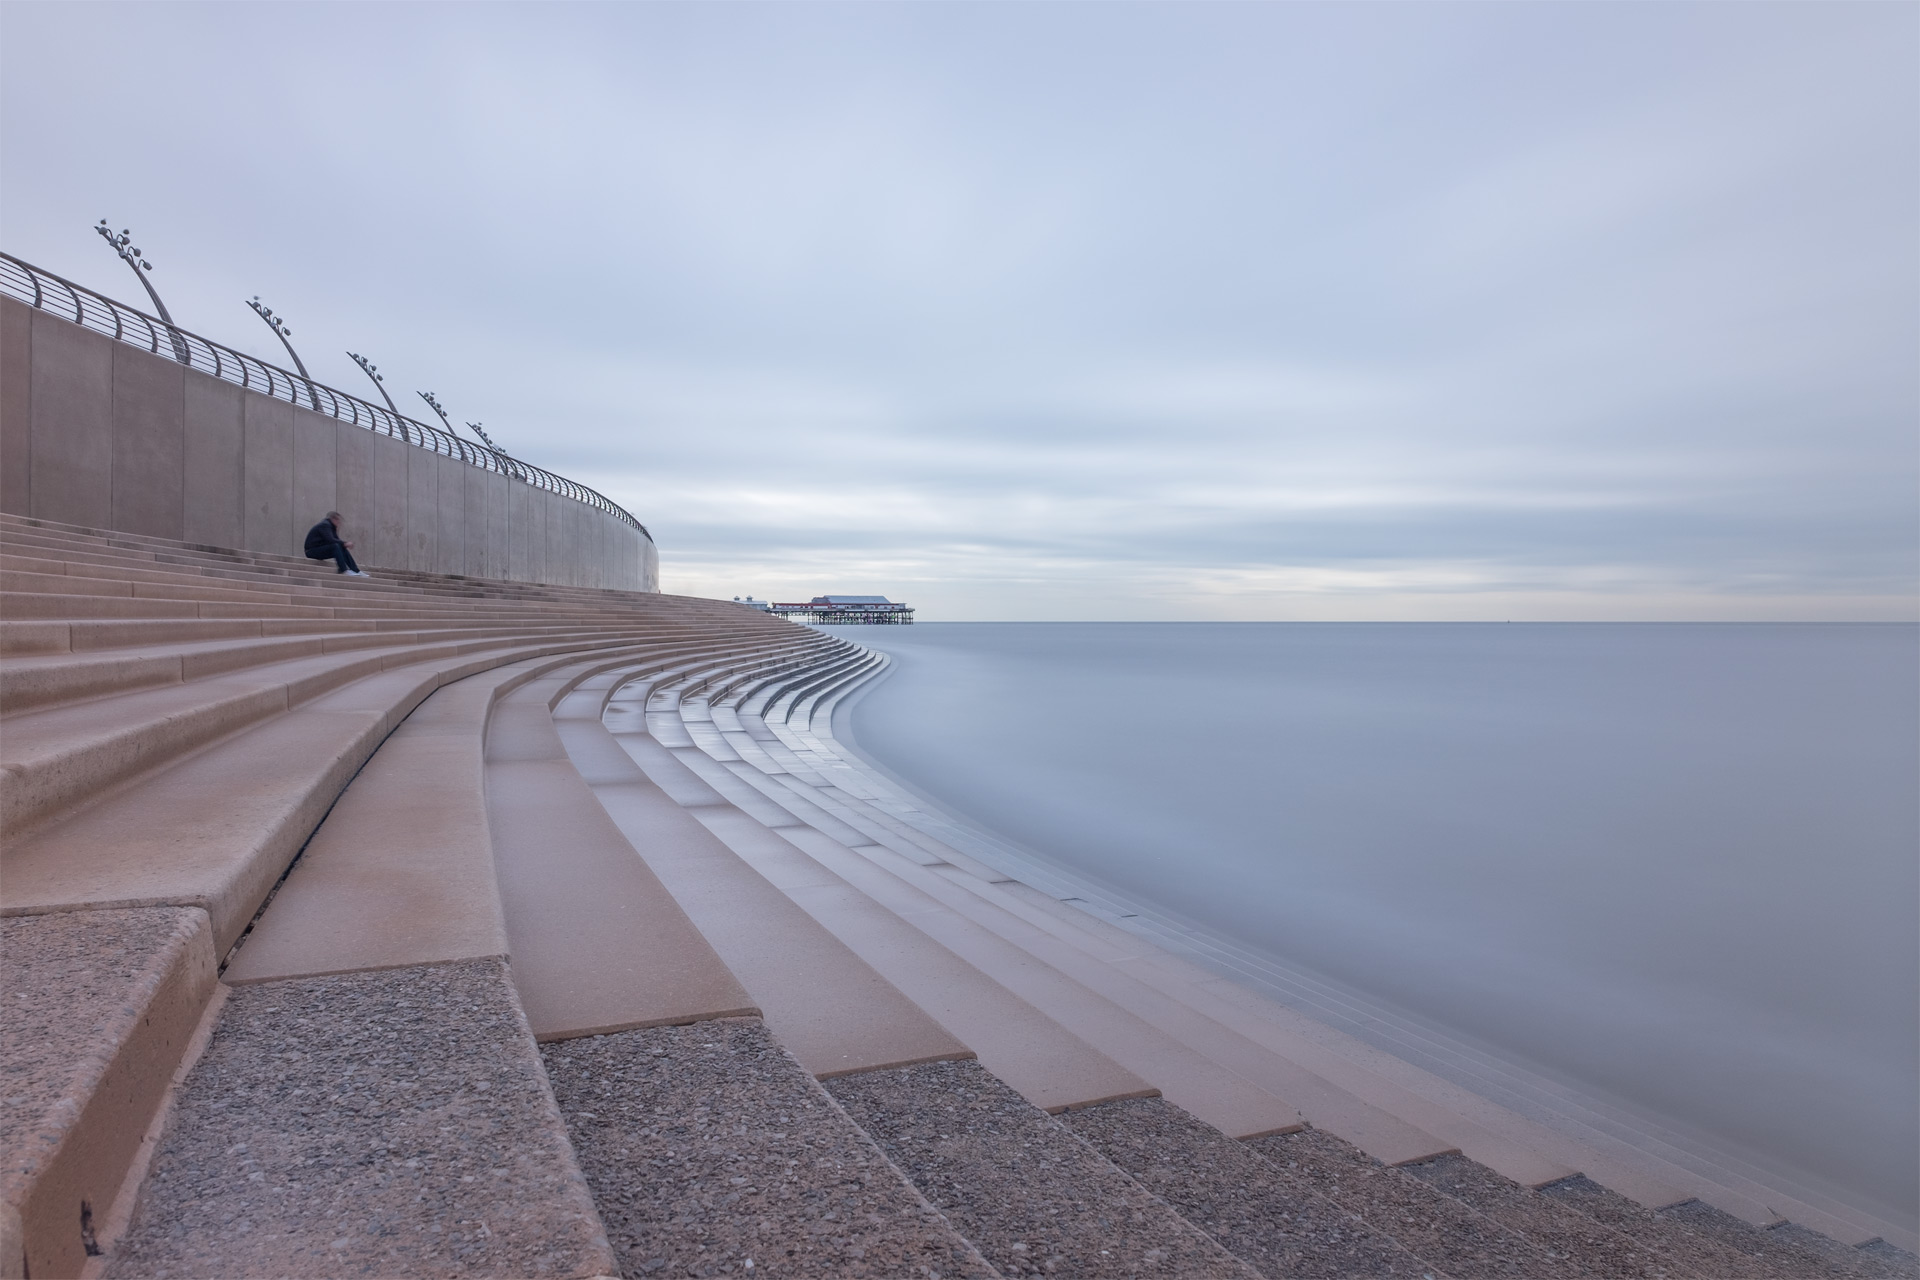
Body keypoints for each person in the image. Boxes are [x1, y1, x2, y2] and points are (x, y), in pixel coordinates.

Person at [304, 511, 368, 577]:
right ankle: (343, 570)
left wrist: (344, 544)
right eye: (338, 520)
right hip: (311, 551)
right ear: (333, 519)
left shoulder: (331, 527)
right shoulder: (325, 525)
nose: (339, 523)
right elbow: (330, 540)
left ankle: (356, 570)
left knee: (340, 546)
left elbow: (337, 541)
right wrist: (345, 543)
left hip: (318, 549)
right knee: (335, 546)